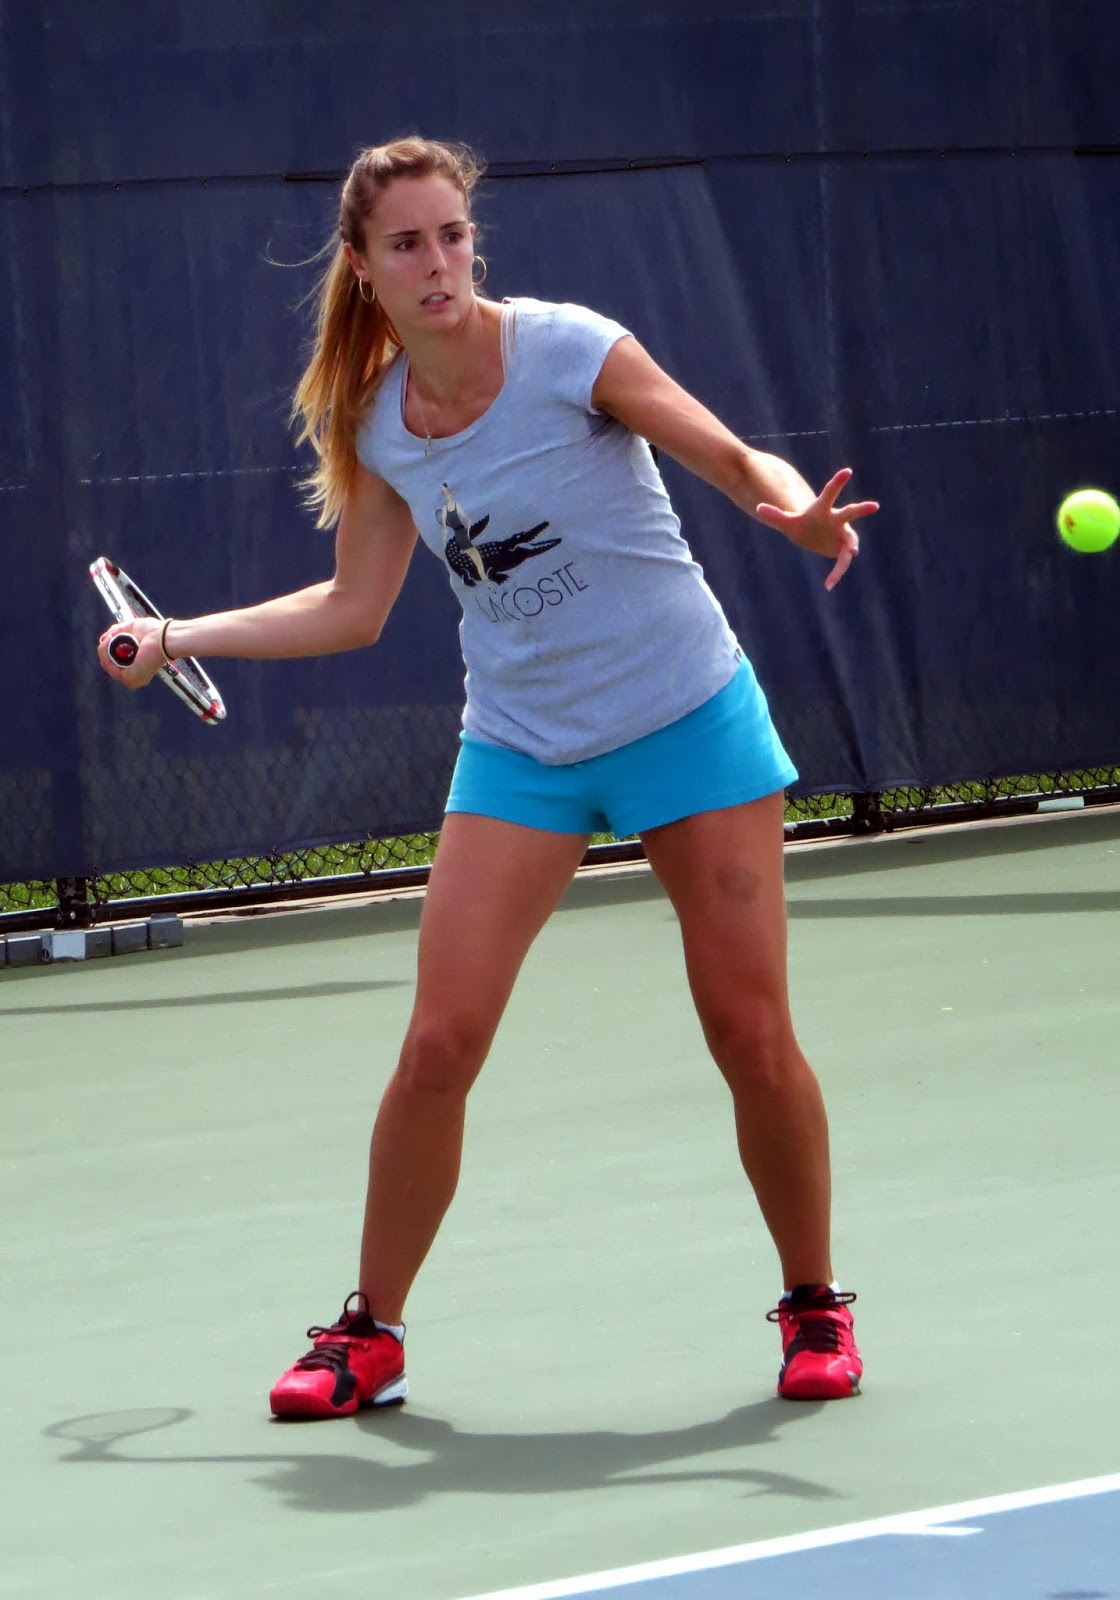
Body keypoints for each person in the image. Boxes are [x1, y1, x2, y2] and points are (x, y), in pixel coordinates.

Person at [97, 135, 879, 1419]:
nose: (438, 261)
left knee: (748, 1031)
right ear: (363, 268)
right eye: (406, 243)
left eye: (452, 234)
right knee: (438, 1044)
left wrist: (793, 510)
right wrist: (181, 634)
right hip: (521, 743)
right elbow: (353, 607)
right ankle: (368, 1334)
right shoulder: (375, 422)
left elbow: (732, 459)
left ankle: (812, 1300)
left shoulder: (571, 348)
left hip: (685, 716)